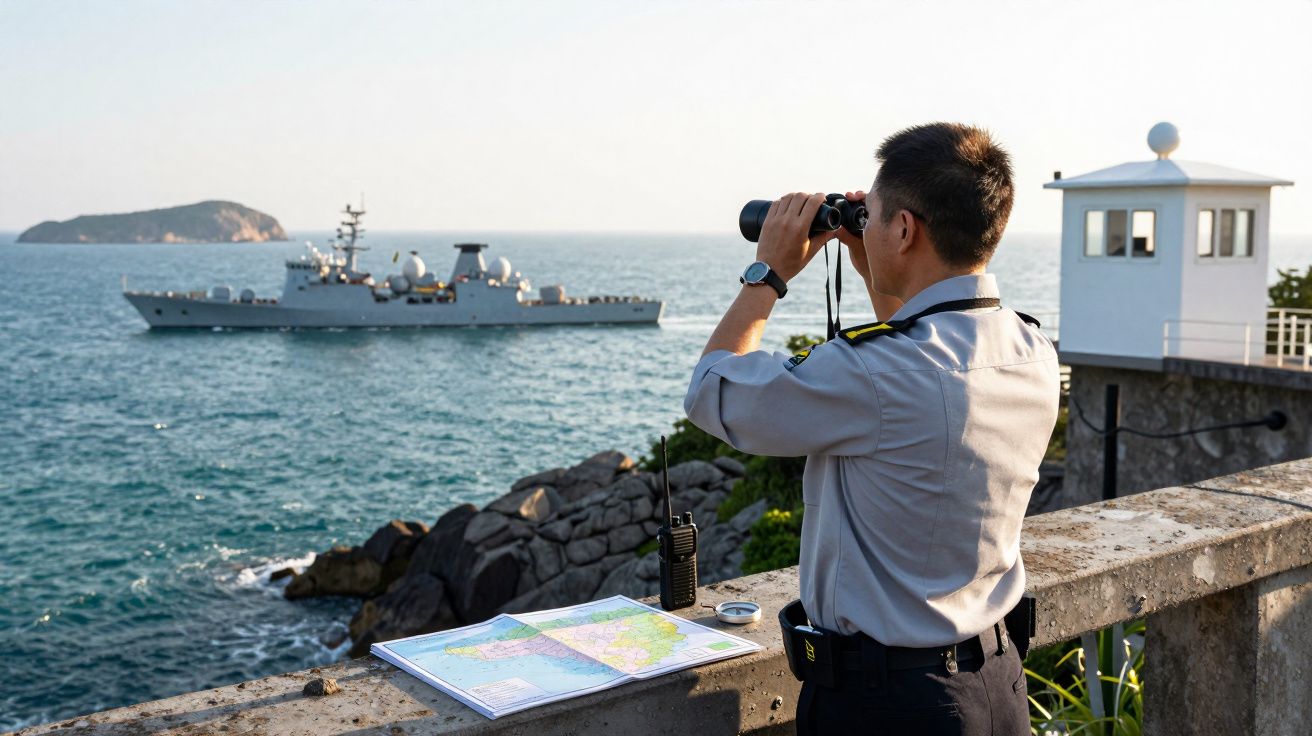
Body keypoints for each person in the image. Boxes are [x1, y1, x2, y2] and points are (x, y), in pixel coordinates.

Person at [683, 122, 1059, 735]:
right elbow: (921, 359)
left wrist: (767, 274)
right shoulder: (1031, 348)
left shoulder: (874, 373)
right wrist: (879, 270)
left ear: (905, 230)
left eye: (875, 215)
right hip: (996, 682)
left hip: (891, 705)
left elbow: (712, 391)